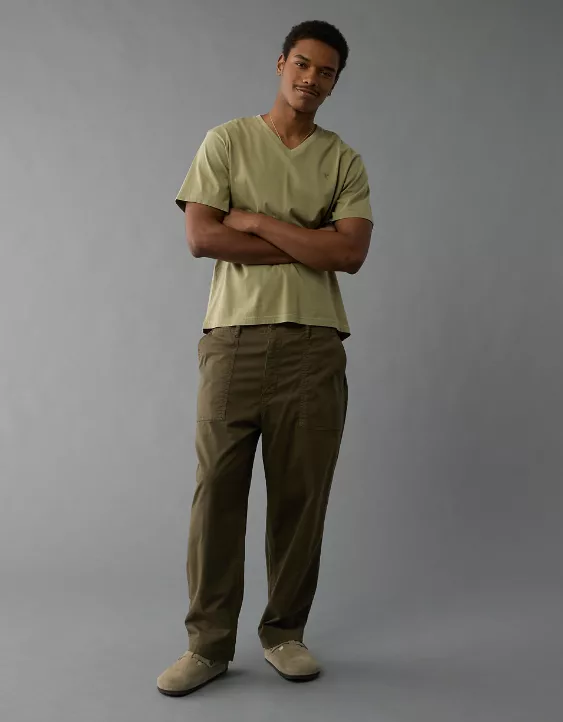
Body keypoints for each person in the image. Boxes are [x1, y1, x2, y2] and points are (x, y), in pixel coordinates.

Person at [157, 19, 373, 697]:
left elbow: (350, 253)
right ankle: (207, 645)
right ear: (281, 64)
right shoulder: (226, 141)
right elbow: (201, 237)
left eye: (326, 72)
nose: (311, 79)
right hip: (233, 340)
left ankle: (284, 633)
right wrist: (307, 242)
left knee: (300, 498)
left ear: (335, 83)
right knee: (216, 493)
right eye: (302, 64)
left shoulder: (342, 160)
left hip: (314, 345)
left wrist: (253, 221)